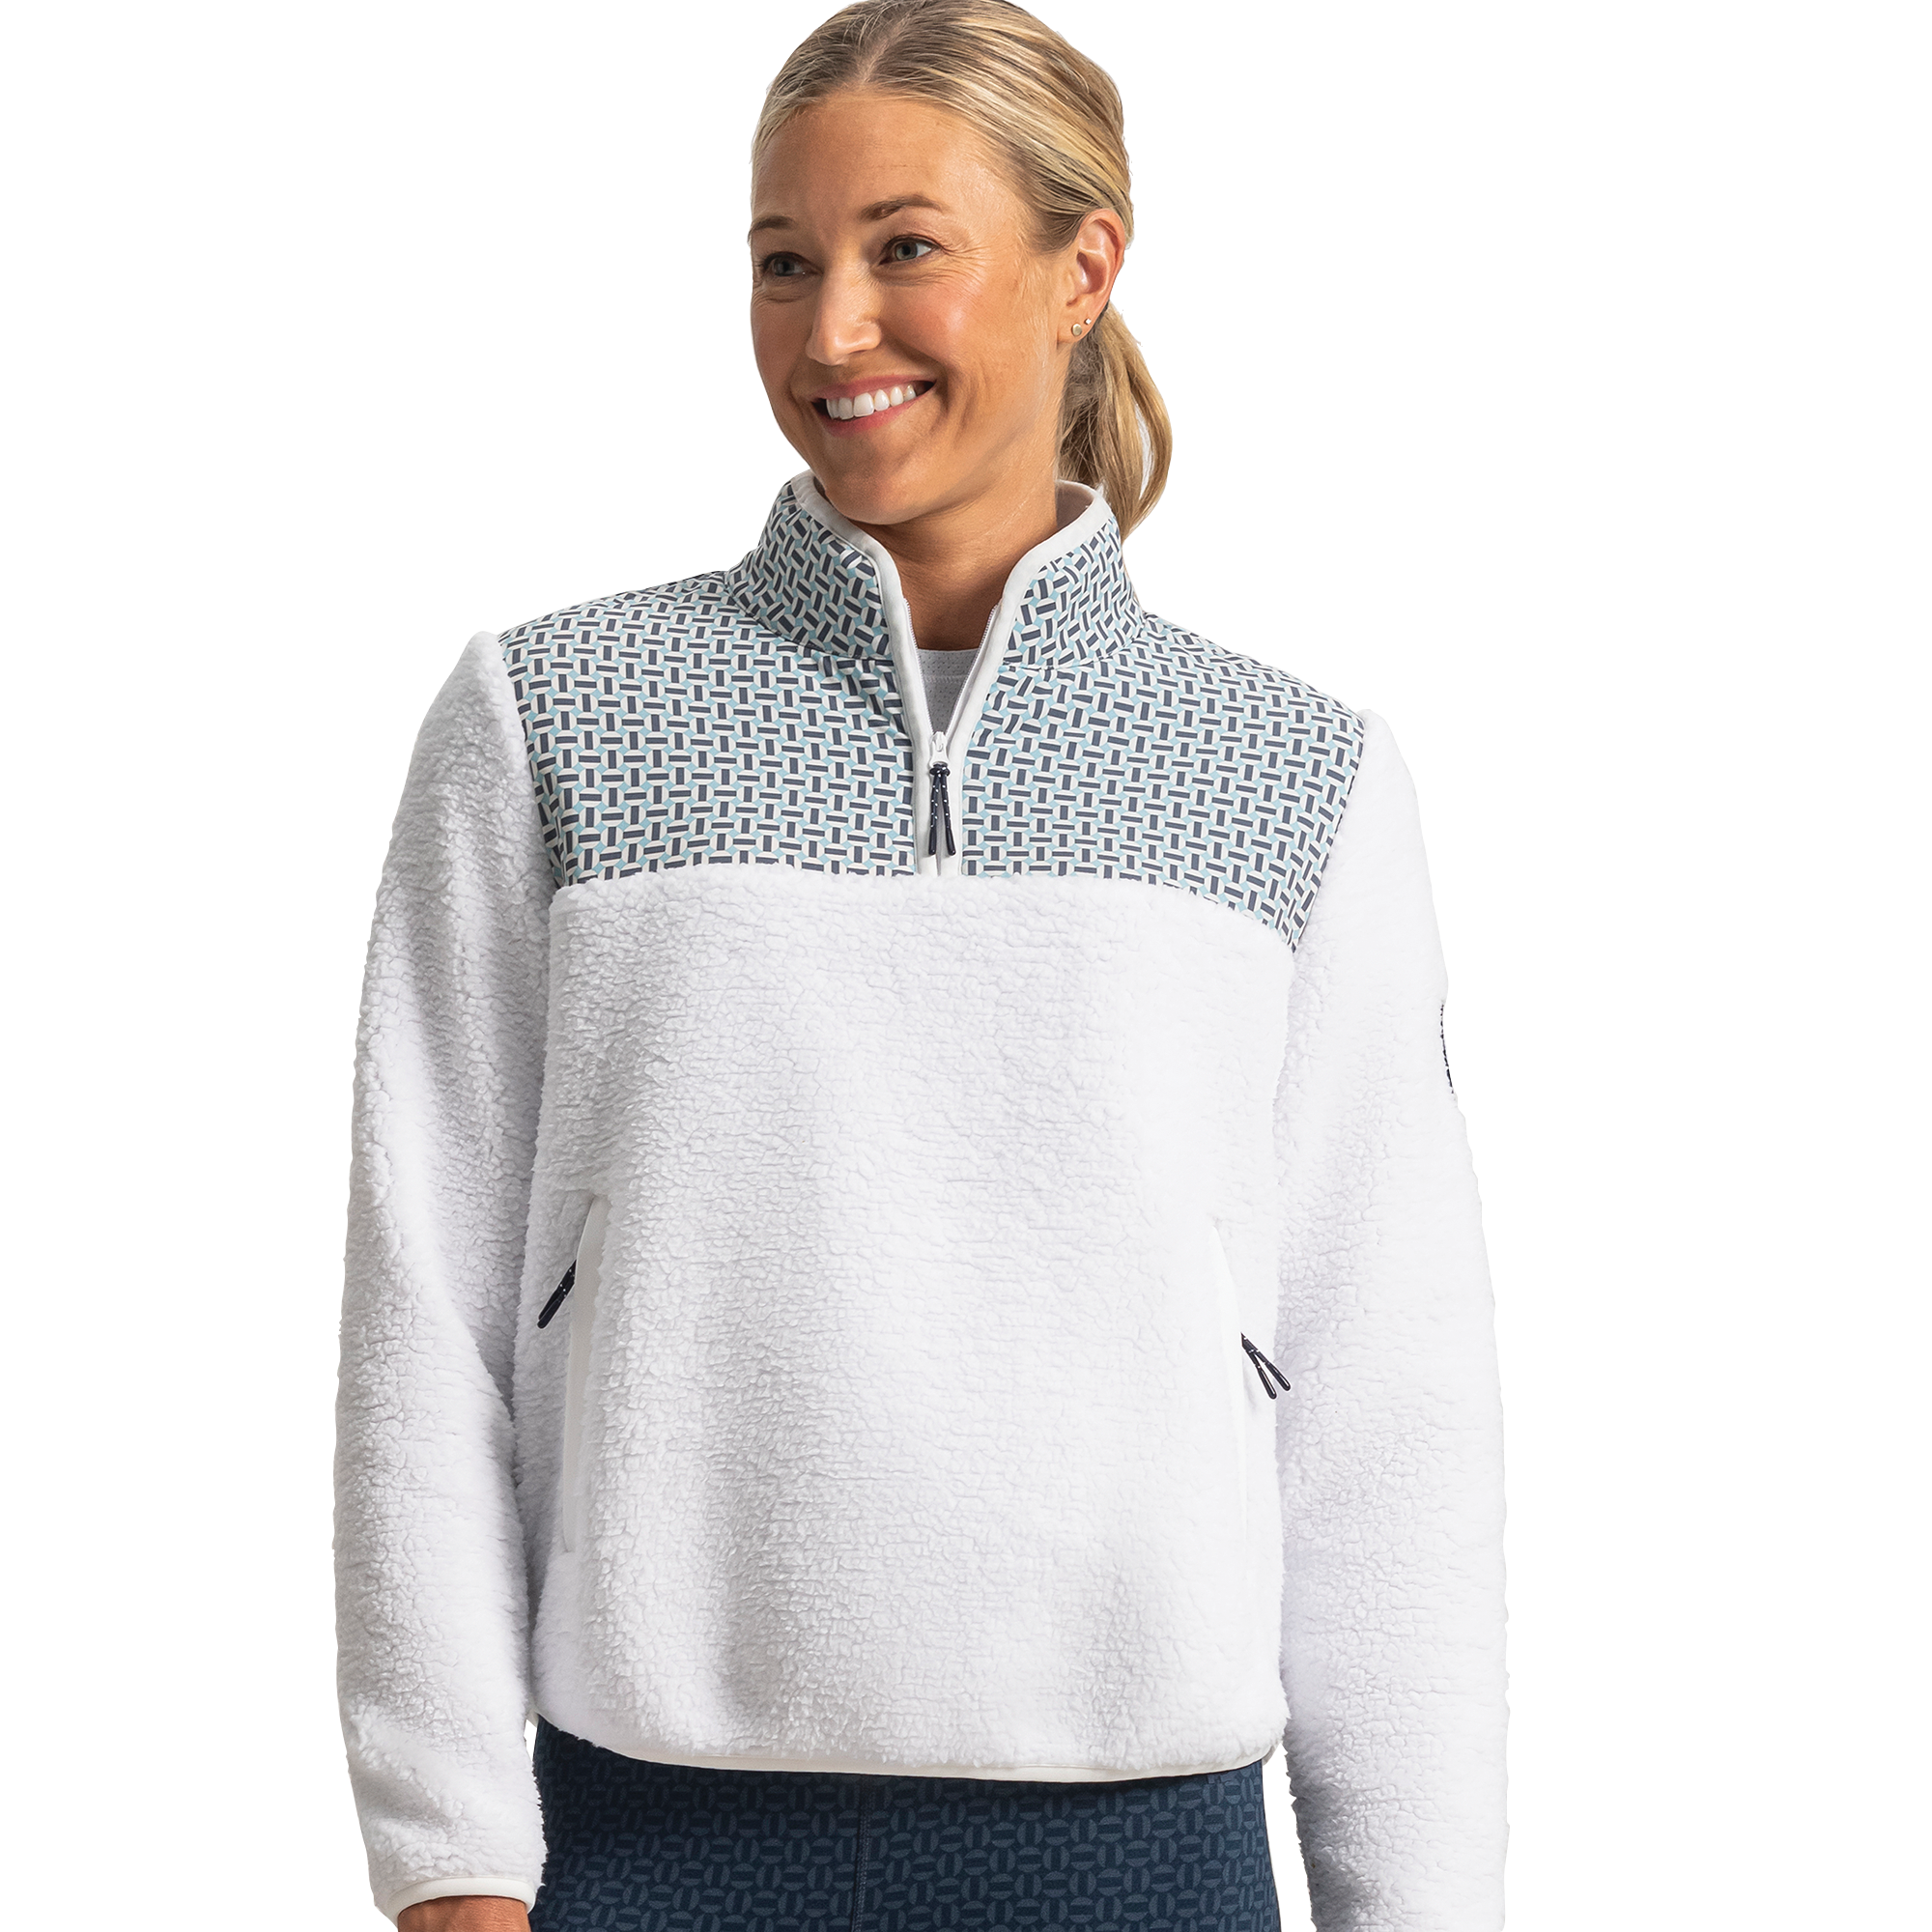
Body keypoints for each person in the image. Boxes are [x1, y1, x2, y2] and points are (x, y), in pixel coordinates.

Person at [334, 2, 1508, 1927]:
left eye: (904, 249)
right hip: (646, 1851)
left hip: (1144, 1865)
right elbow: (421, 1320)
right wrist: (452, 1856)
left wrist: (1423, 1902)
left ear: (1083, 268)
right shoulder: (551, 718)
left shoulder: (1296, 775)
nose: (831, 331)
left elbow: (1387, 1416)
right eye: (782, 262)